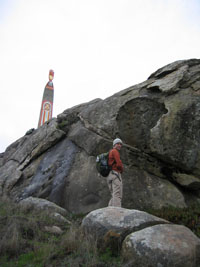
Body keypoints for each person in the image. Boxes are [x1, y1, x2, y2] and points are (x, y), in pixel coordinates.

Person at [107, 138, 123, 207]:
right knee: (117, 194)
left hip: (109, 175)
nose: (119, 145)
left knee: (114, 194)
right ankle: (117, 213)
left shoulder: (110, 152)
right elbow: (119, 164)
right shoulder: (115, 151)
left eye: (120, 144)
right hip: (115, 174)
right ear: (114, 145)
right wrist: (122, 170)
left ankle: (109, 210)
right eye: (118, 144)